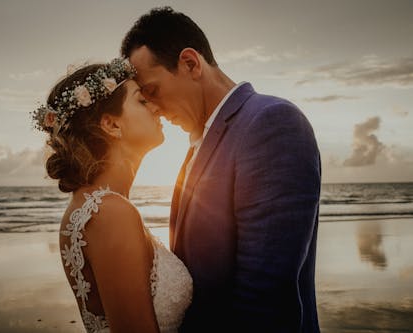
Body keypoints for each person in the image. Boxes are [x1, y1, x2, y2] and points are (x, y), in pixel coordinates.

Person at [121, 6, 322, 332]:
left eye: (153, 91)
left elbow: (264, 299)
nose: (154, 109)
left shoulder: (271, 122)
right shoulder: (196, 144)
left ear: (190, 63)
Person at [31, 58, 193, 333]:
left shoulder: (93, 205)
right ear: (112, 125)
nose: (156, 107)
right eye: (142, 101)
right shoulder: (110, 212)